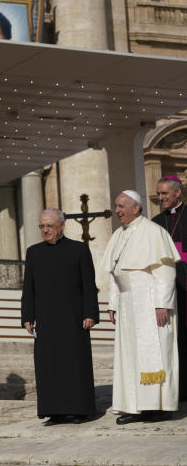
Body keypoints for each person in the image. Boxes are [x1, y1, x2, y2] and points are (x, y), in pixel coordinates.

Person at [103, 190, 180, 424]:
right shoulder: (118, 234)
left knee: (154, 352)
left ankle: (156, 406)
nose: (117, 211)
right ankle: (134, 404)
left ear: (136, 207)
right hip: (127, 306)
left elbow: (165, 273)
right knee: (129, 356)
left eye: (121, 206)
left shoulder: (154, 232)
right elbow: (116, 273)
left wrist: (161, 305)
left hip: (148, 303)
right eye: (116, 206)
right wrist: (113, 303)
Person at [20, 208, 99, 425]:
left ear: (61, 226)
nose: (45, 230)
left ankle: (79, 410)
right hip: (45, 319)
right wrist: (27, 315)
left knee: (74, 364)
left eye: (49, 226)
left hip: (73, 318)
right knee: (48, 365)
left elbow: (89, 286)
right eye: (42, 226)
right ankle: (53, 411)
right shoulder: (33, 252)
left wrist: (90, 313)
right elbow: (29, 288)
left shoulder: (79, 250)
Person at [153, 175, 187, 401]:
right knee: (173, 339)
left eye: (165, 193)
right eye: (159, 193)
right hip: (166, 287)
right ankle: (178, 389)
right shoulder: (155, 222)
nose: (160, 197)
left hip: (186, 282)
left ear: (177, 193)